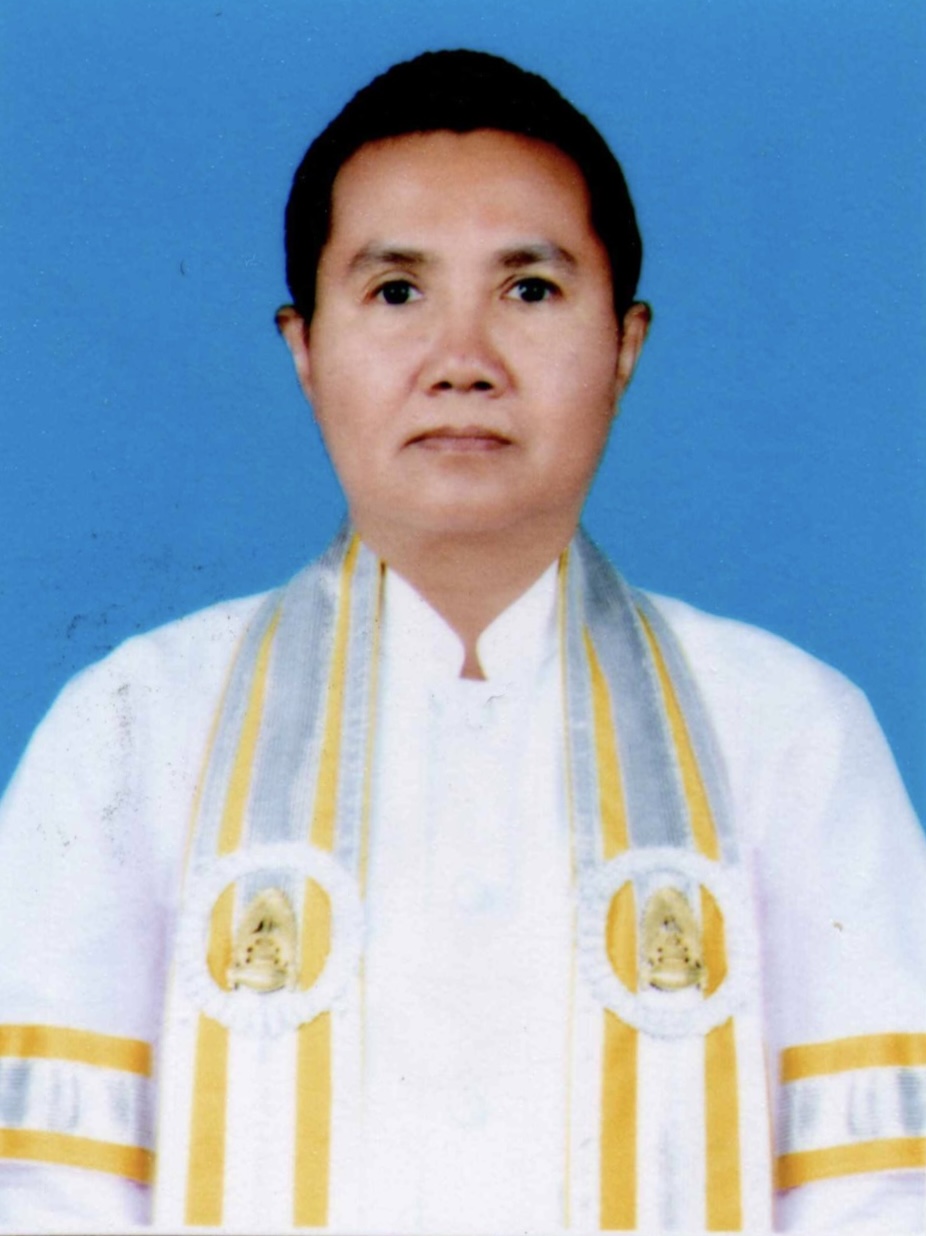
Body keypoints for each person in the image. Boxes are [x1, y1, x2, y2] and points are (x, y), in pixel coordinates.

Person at [0, 49, 923, 1234]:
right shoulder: (133, 729)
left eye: (528, 291)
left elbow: (882, 1196)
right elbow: (40, 1193)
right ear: (303, 348)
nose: (462, 362)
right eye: (396, 293)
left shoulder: (790, 734)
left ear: (623, 344)